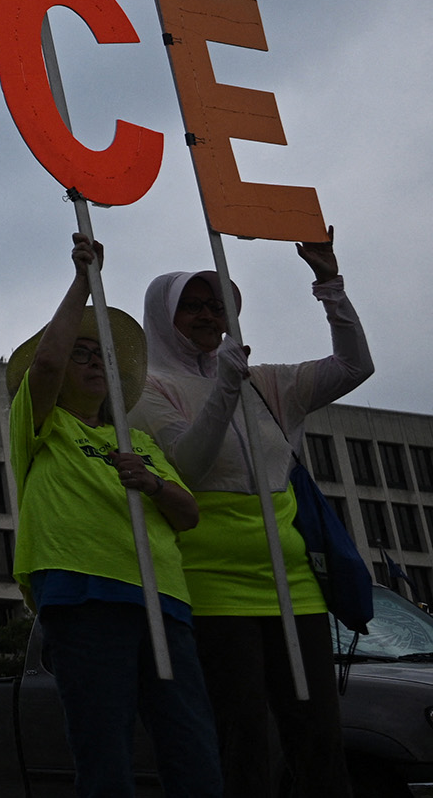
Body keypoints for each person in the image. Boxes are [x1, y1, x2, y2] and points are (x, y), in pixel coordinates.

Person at [132, 229, 370, 797]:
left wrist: (329, 284)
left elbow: (354, 365)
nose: (206, 315)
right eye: (190, 305)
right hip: (212, 592)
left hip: (295, 590)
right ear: (163, 316)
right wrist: (224, 390)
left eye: (217, 305)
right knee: (241, 745)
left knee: (319, 742)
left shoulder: (270, 383)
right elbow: (187, 465)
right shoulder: (145, 389)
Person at [10, 234, 219, 797]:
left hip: (162, 597)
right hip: (85, 592)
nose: (92, 364)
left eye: (100, 355)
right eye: (83, 354)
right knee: (103, 749)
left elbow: (188, 513)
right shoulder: (45, 426)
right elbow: (48, 361)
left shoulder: (139, 441)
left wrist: (150, 482)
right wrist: (83, 279)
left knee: (192, 745)